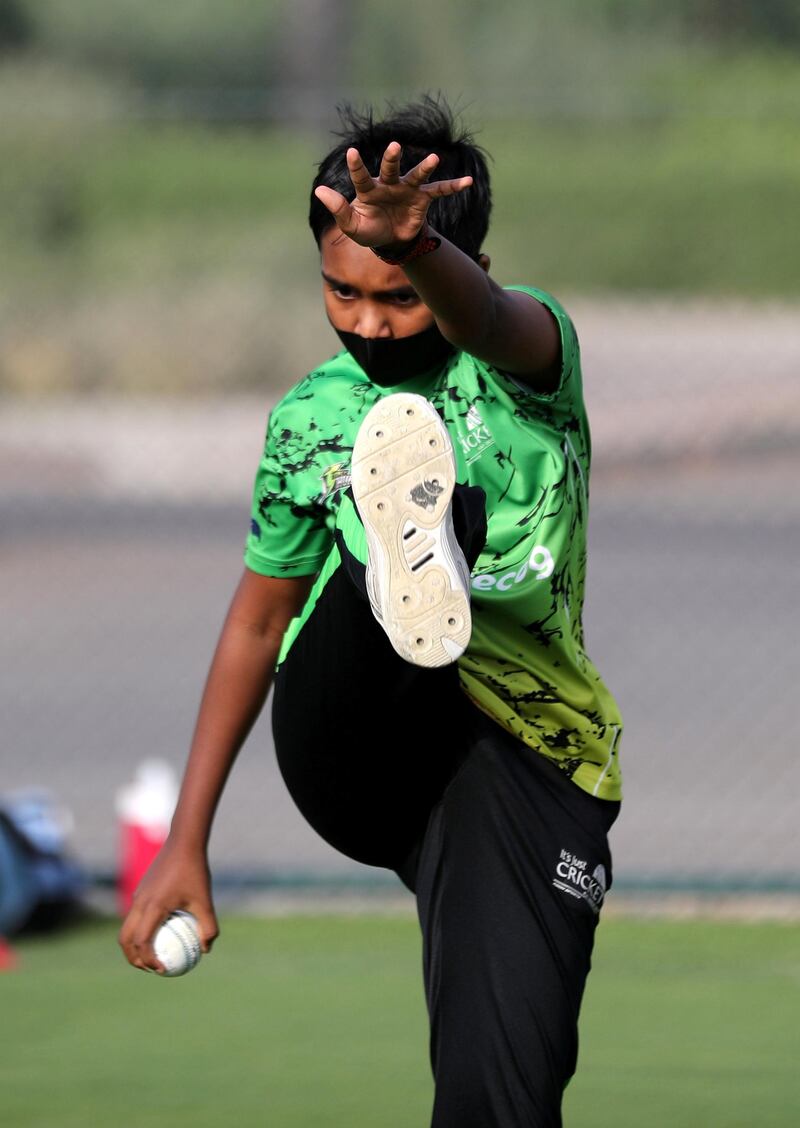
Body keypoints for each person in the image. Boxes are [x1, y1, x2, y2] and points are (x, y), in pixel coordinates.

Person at [119, 95, 623, 1127]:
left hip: (526, 757)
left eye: (396, 294)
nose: (366, 324)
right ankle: (395, 570)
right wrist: (185, 838)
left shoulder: (529, 360)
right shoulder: (311, 418)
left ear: (457, 262)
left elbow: (483, 319)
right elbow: (258, 624)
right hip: (358, 735)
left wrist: (419, 247)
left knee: (501, 1100)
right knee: (365, 581)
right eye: (339, 291)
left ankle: (430, 550)